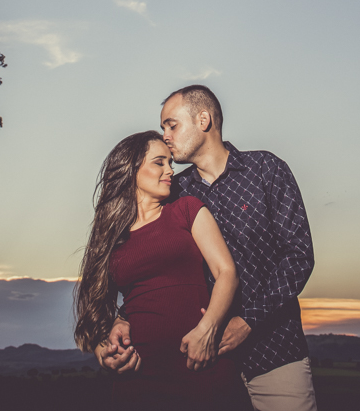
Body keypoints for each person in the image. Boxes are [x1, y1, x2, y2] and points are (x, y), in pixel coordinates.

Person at [100, 86, 318, 411]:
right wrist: (123, 318)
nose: (165, 136)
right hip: (200, 361)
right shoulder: (175, 192)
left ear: (204, 120)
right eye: (163, 128)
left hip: (273, 351)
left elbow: (298, 257)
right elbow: (155, 267)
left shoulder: (266, 170)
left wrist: (246, 322)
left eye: (171, 125)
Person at [75, 130, 247, 409]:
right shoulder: (111, 237)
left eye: (170, 162)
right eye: (159, 162)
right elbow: (95, 308)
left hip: (199, 364)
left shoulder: (186, 209)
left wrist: (208, 330)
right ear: (131, 170)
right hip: (139, 377)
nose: (170, 170)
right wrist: (103, 351)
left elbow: (227, 272)